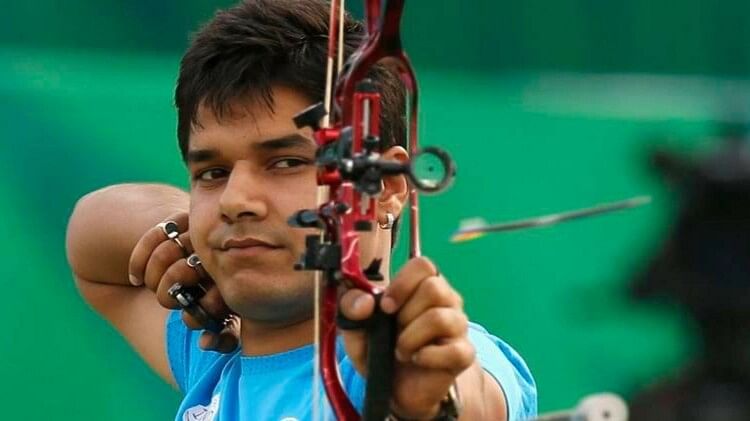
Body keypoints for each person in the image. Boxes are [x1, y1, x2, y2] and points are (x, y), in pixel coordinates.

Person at [65, 0, 537, 420]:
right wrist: (190, 244)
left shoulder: (427, 355)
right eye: (213, 172)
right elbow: (89, 233)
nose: (235, 200)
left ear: (388, 185)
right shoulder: (215, 351)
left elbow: (468, 393)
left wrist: (428, 404)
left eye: (287, 162)